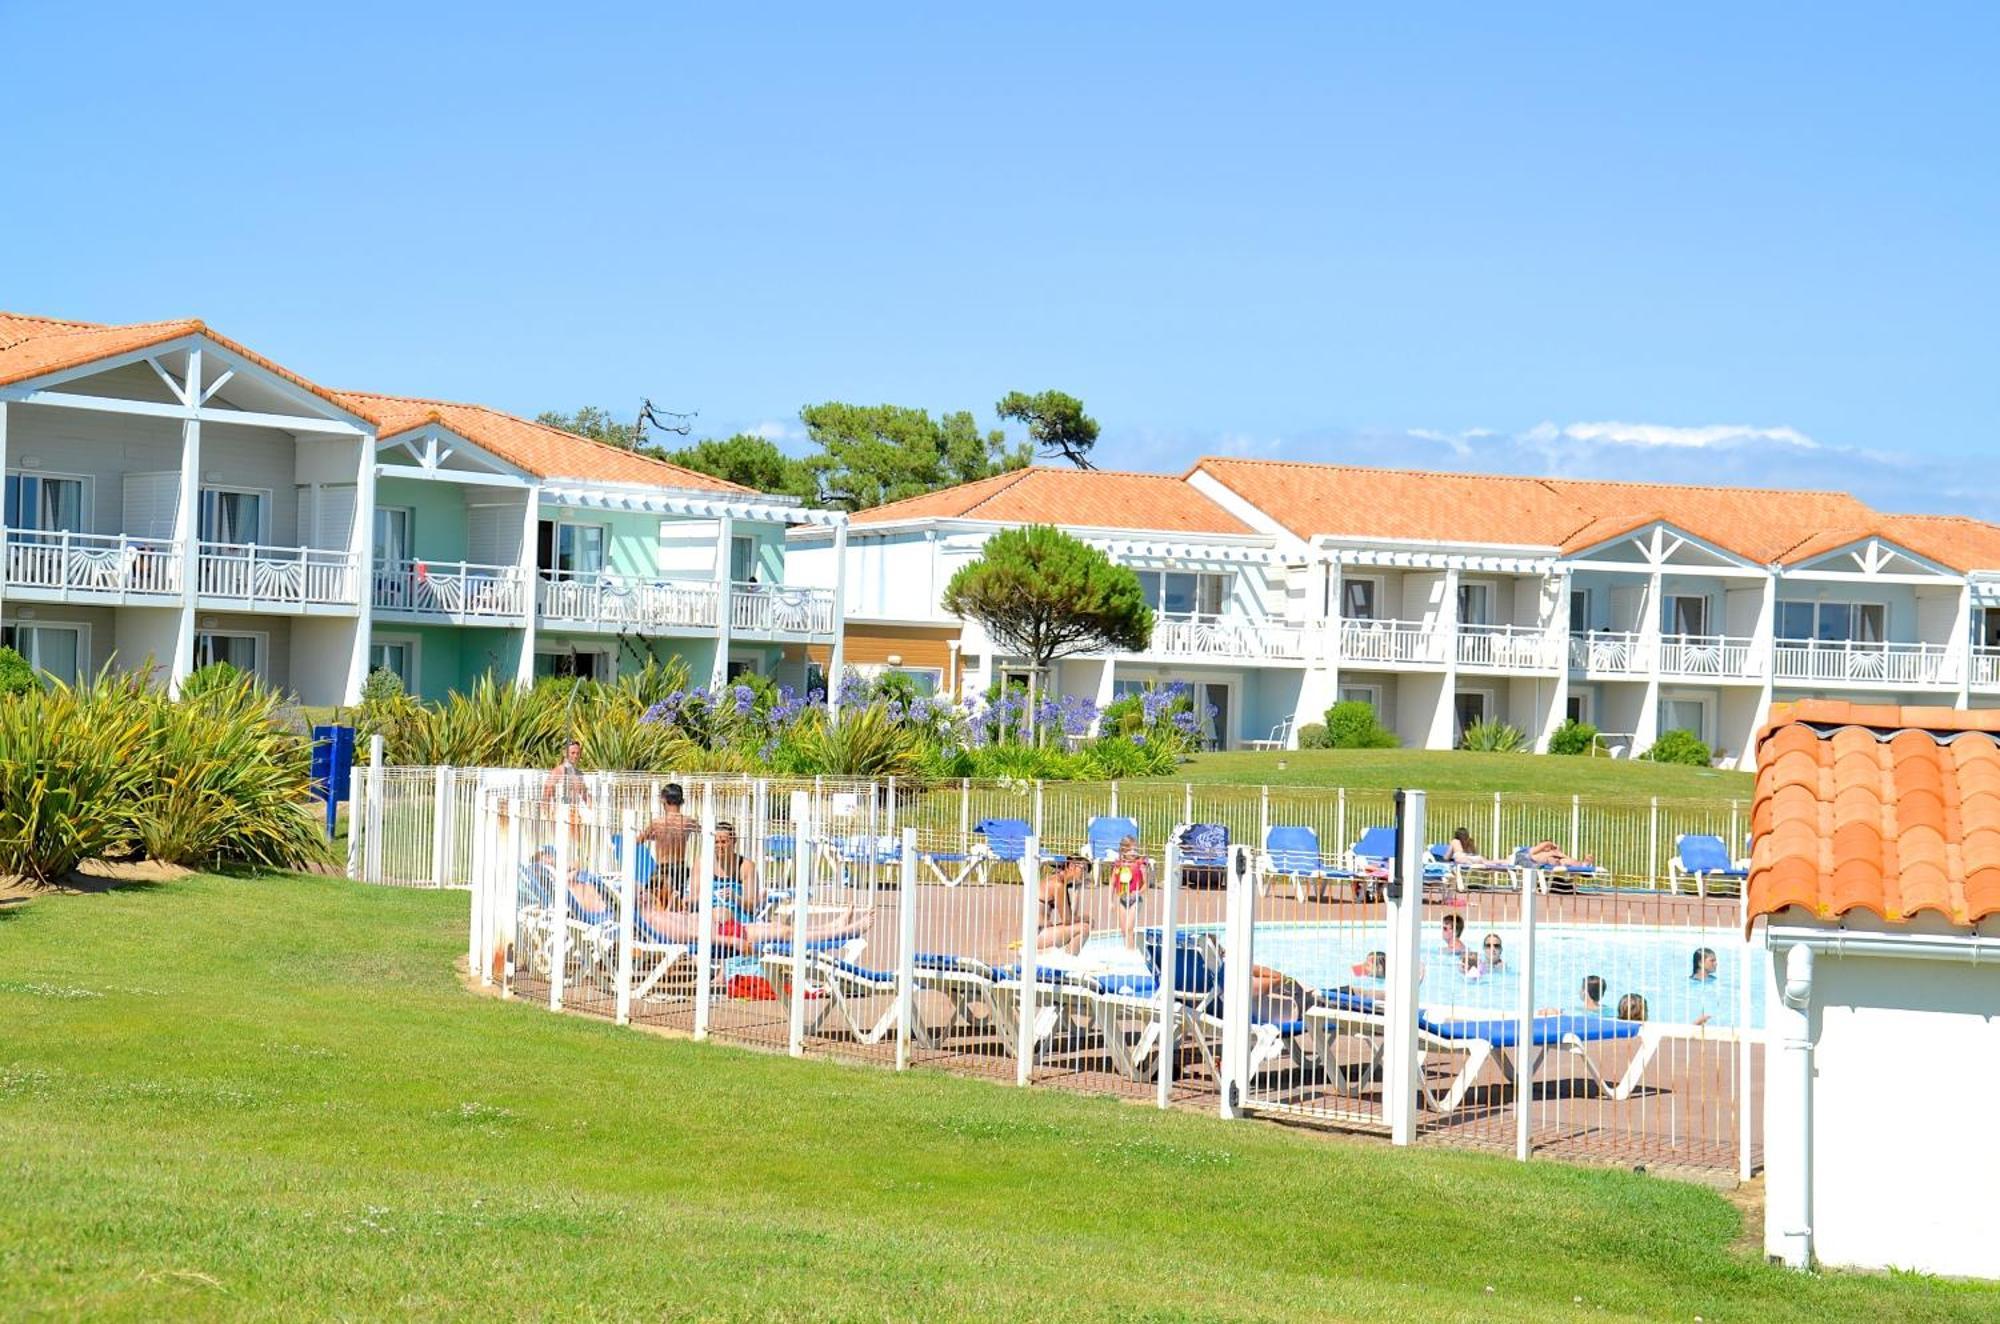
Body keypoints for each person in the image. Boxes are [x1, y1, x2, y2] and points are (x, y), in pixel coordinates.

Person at [638, 783, 697, 905]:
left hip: (663, 869)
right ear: (681, 800)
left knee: (651, 901)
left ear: (664, 799)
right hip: (680, 868)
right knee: (677, 904)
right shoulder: (689, 822)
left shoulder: (657, 823)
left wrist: (654, 837)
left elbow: (639, 841)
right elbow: (708, 833)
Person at [1036, 854, 1092, 954]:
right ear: (1071, 865)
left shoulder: (1060, 882)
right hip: (1037, 935)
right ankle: (1068, 962)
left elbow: (1071, 916)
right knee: (1084, 928)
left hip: (1041, 931)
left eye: (1086, 871)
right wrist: (1086, 918)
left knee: (1083, 925)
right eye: (1083, 869)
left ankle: (1066, 957)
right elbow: (1067, 920)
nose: (1085, 874)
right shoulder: (1058, 885)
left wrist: (1077, 889)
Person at [1108, 836, 1148, 948]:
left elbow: (1146, 884)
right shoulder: (1119, 864)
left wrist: (1138, 893)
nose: (1134, 852)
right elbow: (1112, 883)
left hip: (1135, 899)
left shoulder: (1140, 864)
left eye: (1136, 849)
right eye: (1131, 850)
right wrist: (1110, 901)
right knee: (1123, 930)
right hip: (1122, 899)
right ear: (1124, 851)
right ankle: (1129, 950)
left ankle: (1131, 953)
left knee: (1130, 928)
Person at [544, 738, 590, 806]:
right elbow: (545, 799)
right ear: (564, 753)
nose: (576, 756)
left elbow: (586, 797)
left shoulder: (579, 774)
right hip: (560, 813)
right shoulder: (556, 773)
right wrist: (548, 815)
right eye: (572, 753)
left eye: (578, 753)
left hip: (575, 813)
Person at [1526, 841, 1594, 869]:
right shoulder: (1535, 851)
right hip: (1545, 862)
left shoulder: (1554, 852)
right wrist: (1551, 844)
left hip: (1558, 862)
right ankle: (1583, 865)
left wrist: (1558, 853)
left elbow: (1568, 858)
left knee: (1567, 860)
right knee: (1551, 859)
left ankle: (1584, 864)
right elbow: (1546, 843)